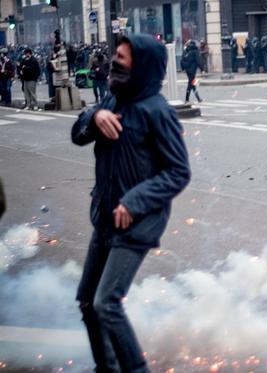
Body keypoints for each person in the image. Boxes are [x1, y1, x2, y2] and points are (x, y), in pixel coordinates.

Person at [71, 34, 191, 372]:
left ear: (141, 66)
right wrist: (92, 118)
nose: (114, 63)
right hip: (105, 217)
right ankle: (106, 368)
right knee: (86, 302)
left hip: (137, 221)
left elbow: (178, 172)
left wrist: (135, 201)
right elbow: (77, 134)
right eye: (115, 57)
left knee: (106, 302)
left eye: (122, 59)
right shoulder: (111, 101)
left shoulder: (158, 112)